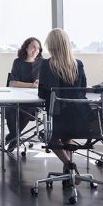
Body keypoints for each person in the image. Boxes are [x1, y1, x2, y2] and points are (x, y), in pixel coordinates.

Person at [38, 28, 87, 176]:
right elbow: (83, 90)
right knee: (67, 137)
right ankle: (69, 175)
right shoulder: (78, 64)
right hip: (77, 116)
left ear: (51, 46)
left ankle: (69, 165)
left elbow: (42, 93)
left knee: (50, 138)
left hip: (57, 115)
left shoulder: (47, 64)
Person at [4, 37, 43, 147]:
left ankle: (12, 137)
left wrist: (39, 84)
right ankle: (15, 137)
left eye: (38, 48)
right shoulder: (18, 62)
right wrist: (32, 85)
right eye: (33, 47)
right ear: (26, 48)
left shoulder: (43, 63)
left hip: (34, 100)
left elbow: (44, 83)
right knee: (8, 110)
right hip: (16, 98)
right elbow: (12, 83)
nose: (36, 50)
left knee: (28, 109)